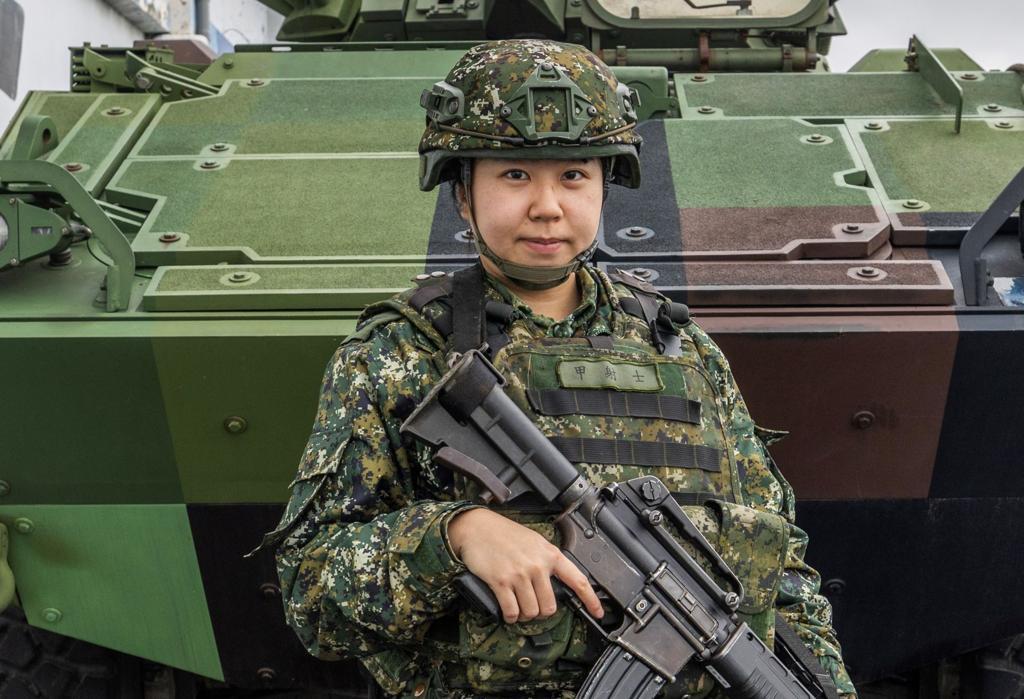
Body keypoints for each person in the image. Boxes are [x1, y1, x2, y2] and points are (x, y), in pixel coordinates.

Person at [267, 39, 857, 699]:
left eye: (573, 175)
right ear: (462, 193)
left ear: (606, 186)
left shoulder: (682, 349)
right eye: (515, 175)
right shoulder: (399, 354)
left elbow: (784, 579)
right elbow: (309, 595)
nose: (547, 205)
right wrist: (451, 537)